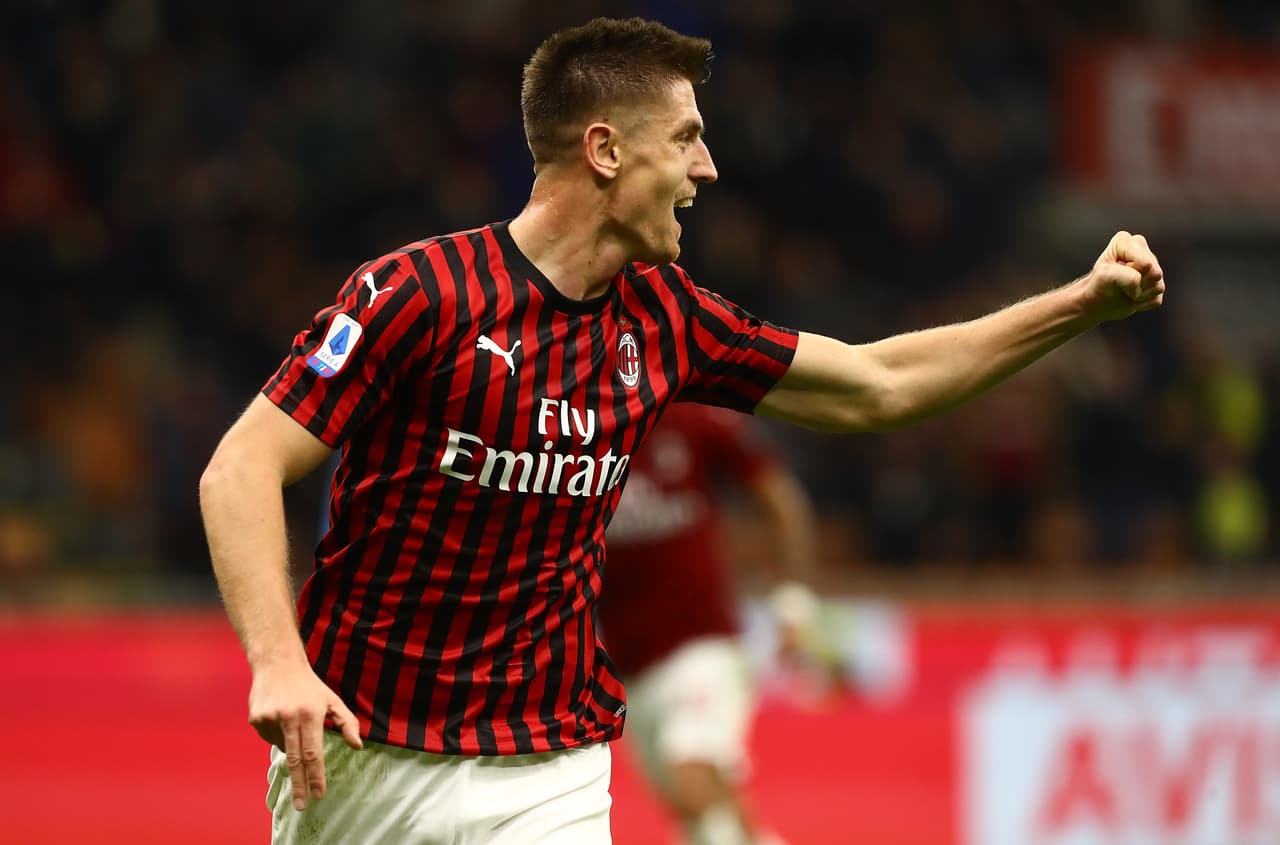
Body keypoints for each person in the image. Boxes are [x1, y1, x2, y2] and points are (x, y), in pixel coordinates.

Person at [198, 16, 1165, 845]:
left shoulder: (665, 316)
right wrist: (279, 660)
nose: (708, 166)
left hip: (549, 764)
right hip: (365, 752)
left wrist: (1079, 305)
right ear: (608, 149)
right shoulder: (417, 293)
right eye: (689, 137)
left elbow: (876, 383)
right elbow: (241, 466)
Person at [599, 402, 816, 845]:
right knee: (699, 816)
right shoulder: (576, 429)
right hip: (626, 663)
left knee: (693, 777)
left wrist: (792, 601)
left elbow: (779, 499)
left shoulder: (693, 419)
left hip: (702, 644)